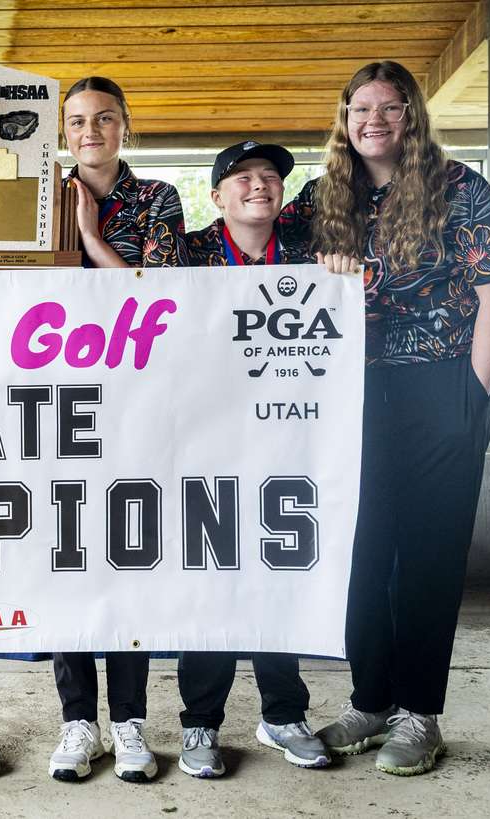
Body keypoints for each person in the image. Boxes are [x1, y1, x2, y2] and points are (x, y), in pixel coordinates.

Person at [279, 60, 490, 776]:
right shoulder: (322, 196)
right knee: (360, 552)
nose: (372, 120)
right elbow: (259, 253)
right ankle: (369, 700)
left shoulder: (458, 187)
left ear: (410, 116)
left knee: (427, 556)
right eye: (360, 108)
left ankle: (420, 712)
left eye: (388, 107)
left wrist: (470, 397)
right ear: (344, 118)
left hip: (442, 384)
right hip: (349, 396)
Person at [176, 141, 332, 779]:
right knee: (209, 584)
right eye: (242, 178)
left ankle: (283, 715)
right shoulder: (185, 254)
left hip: (286, 444)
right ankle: (200, 725)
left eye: (270, 176)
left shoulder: (310, 259)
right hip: (204, 444)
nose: (259, 185)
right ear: (216, 196)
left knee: (279, 576)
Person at [48, 76, 185, 785]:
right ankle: (79, 721)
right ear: (62, 129)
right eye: (76, 120)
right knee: (67, 559)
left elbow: (159, 293)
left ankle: (129, 719)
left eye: (104, 118)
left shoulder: (159, 198)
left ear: (125, 125)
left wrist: (91, 238)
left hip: (135, 400)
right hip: (56, 403)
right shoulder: (41, 191)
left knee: (128, 557)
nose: (89, 130)